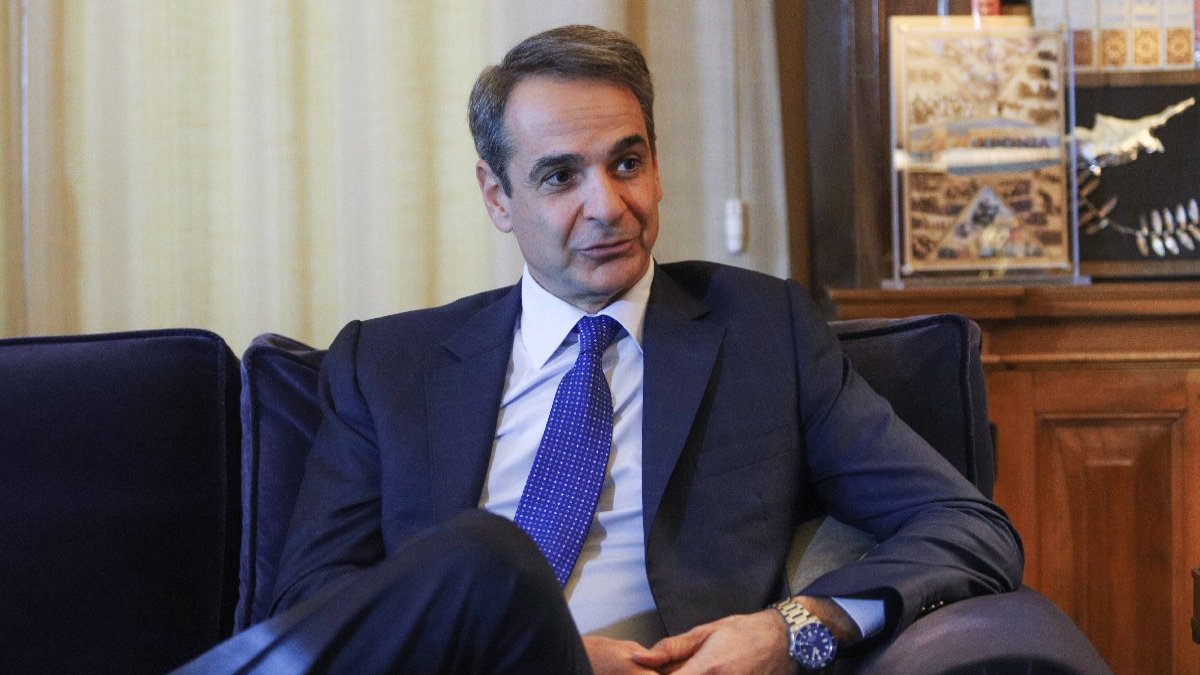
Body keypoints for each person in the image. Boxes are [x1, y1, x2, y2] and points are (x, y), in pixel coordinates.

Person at [179, 24, 1022, 675]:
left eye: (627, 162)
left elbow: (966, 524)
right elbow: (312, 609)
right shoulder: (388, 364)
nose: (609, 205)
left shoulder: (765, 332)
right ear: (497, 196)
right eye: (560, 176)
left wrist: (793, 627)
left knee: (486, 552)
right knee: (487, 554)